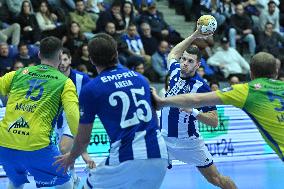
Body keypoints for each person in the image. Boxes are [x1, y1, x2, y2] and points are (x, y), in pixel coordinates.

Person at [54, 33, 168, 189]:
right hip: (159, 155)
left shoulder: (93, 88)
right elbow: (154, 119)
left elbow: (83, 139)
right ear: (116, 54)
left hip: (127, 157)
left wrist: (71, 157)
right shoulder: (141, 79)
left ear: (92, 60)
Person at [153, 51, 284, 162]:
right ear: (276, 72)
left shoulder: (246, 91)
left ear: (251, 73)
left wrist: (162, 102)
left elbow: (196, 99)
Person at [159, 27, 237, 189]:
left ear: (197, 65)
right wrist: (194, 35)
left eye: (190, 61)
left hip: (189, 143)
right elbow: (174, 53)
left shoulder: (202, 87)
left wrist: (193, 112)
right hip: (163, 138)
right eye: (184, 59)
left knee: (216, 179)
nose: (185, 64)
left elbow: (214, 121)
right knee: (142, 171)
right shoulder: (174, 71)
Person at [0, 36, 79, 189]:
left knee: (16, 181)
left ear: (39, 54)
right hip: (37, 145)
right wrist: (81, 148)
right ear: (59, 55)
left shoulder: (18, 74)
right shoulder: (64, 82)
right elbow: (73, 116)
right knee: (66, 182)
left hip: (5, 141)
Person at [56, 48, 95, 187]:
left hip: (73, 118)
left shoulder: (82, 78)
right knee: (59, 154)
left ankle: (72, 177)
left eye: (65, 59)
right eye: (59, 59)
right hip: (55, 120)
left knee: (64, 148)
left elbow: (92, 96)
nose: (62, 63)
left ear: (70, 60)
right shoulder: (51, 79)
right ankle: (73, 175)